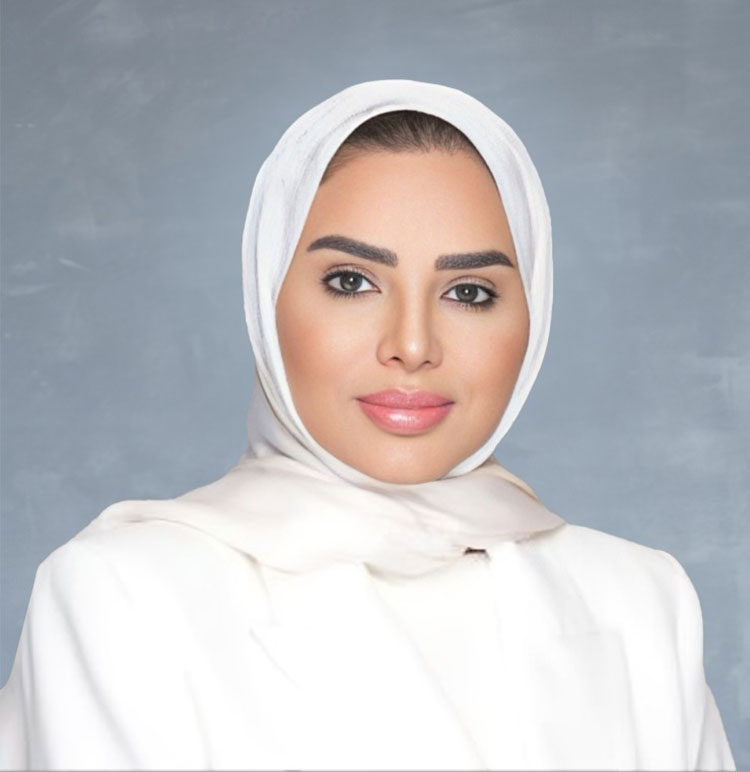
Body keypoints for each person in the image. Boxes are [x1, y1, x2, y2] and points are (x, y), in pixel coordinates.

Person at [0, 79, 736, 771]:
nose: (412, 345)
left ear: (533, 314)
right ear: (266, 298)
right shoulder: (121, 596)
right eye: (351, 282)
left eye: (469, 292)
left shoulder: (642, 602)